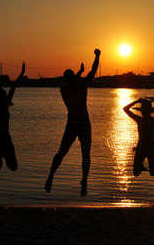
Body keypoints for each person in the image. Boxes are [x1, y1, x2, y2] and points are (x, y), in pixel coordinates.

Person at [45, 49, 101, 196]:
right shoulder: (81, 86)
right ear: (74, 78)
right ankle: (84, 181)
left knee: (61, 152)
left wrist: (78, 73)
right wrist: (97, 56)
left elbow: (71, 81)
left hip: (72, 123)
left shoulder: (63, 90)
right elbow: (93, 71)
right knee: (85, 155)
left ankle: (51, 176)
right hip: (83, 123)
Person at [123, 97, 154, 181]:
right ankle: (147, 169)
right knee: (152, 172)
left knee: (139, 173)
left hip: (143, 148)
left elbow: (125, 109)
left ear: (142, 112)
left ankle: (143, 167)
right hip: (148, 147)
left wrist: (136, 101)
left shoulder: (140, 119)